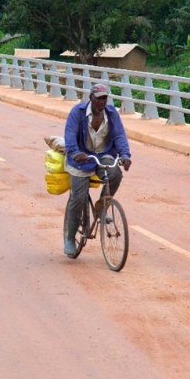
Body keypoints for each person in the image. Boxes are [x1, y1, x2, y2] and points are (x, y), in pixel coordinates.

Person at [62, 84, 132, 257]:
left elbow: (119, 136)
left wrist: (125, 155)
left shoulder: (111, 113)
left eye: (104, 98)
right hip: (80, 159)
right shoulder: (77, 112)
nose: (102, 101)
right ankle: (70, 238)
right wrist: (75, 152)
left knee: (115, 173)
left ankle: (101, 207)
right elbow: (70, 135)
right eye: (99, 98)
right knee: (78, 198)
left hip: (103, 155)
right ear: (91, 98)